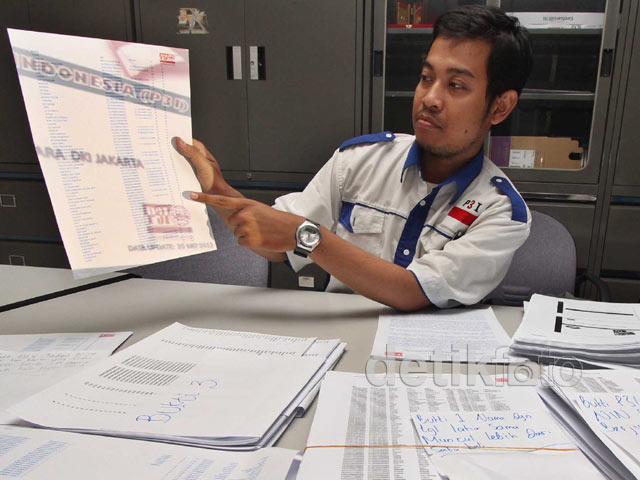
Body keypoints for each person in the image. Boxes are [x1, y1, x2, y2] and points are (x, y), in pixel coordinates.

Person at [175, 5, 533, 312]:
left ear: (500, 107)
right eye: (426, 78)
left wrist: (306, 236)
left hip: (429, 358)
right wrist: (217, 188)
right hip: (341, 341)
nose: (430, 98)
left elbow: (411, 291)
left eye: (456, 85)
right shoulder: (359, 161)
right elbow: (278, 245)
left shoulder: (500, 211)